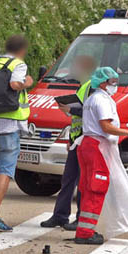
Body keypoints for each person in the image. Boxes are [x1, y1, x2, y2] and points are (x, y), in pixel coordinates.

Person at [74, 67, 128, 245]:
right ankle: (85, 233)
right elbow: (106, 127)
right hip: (96, 146)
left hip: (88, 146)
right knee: (96, 187)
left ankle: (84, 229)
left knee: (88, 187)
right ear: (102, 83)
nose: (115, 85)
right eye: (112, 82)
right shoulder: (101, 100)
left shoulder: (93, 99)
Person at [0, 35, 33, 232]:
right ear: (21, 50)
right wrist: (27, 83)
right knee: (5, 171)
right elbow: (15, 84)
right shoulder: (18, 64)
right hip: (9, 126)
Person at [40, 55, 97, 230]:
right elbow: (77, 117)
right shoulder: (82, 85)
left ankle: (81, 218)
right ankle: (60, 216)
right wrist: (69, 138)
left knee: (82, 183)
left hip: (86, 140)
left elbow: (91, 109)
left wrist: (71, 108)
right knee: (68, 180)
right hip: (76, 139)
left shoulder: (92, 86)